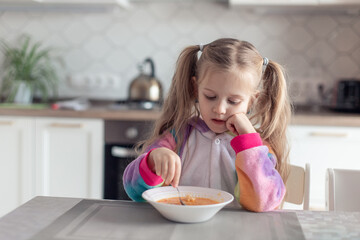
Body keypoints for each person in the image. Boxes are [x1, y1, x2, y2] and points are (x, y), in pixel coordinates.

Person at [123, 38, 291, 212]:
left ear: (251, 101)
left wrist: (249, 141)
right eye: (210, 96)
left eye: (233, 101)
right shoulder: (177, 137)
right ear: (196, 89)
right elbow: (133, 189)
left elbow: (266, 202)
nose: (219, 109)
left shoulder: (258, 148)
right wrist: (152, 161)